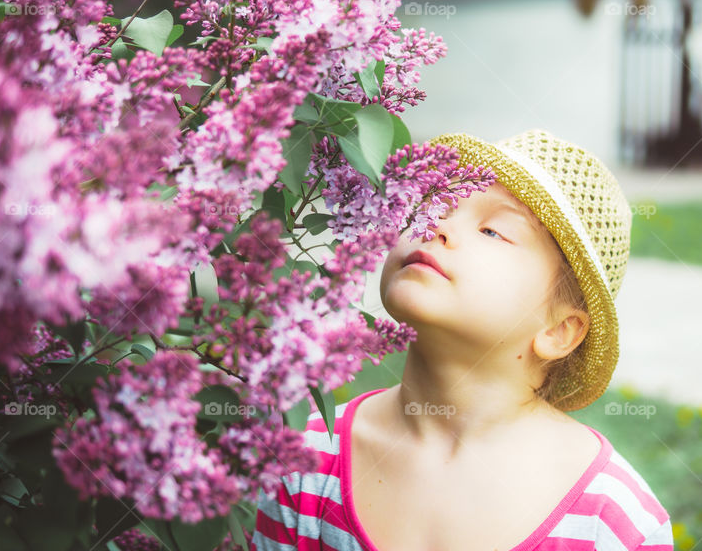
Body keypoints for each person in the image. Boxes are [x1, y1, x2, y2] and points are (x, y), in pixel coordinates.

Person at [251, 129, 674, 550]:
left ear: (557, 331)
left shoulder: (612, 522)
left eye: (493, 231)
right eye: (435, 204)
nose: (436, 225)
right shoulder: (305, 459)